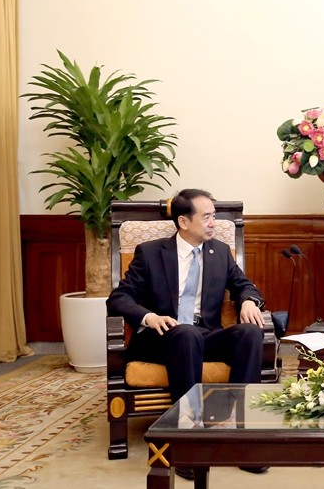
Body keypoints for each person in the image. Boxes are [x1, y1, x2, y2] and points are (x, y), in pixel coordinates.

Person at [107, 188, 268, 478]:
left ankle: (244, 437)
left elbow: (245, 285)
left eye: (214, 217)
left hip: (203, 335)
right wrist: (149, 316)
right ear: (183, 222)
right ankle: (187, 439)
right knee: (185, 334)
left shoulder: (219, 252)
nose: (213, 223)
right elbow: (119, 298)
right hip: (163, 338)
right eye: (206, 217)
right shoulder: (152, 252)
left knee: (249, 334)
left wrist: (247, 299)